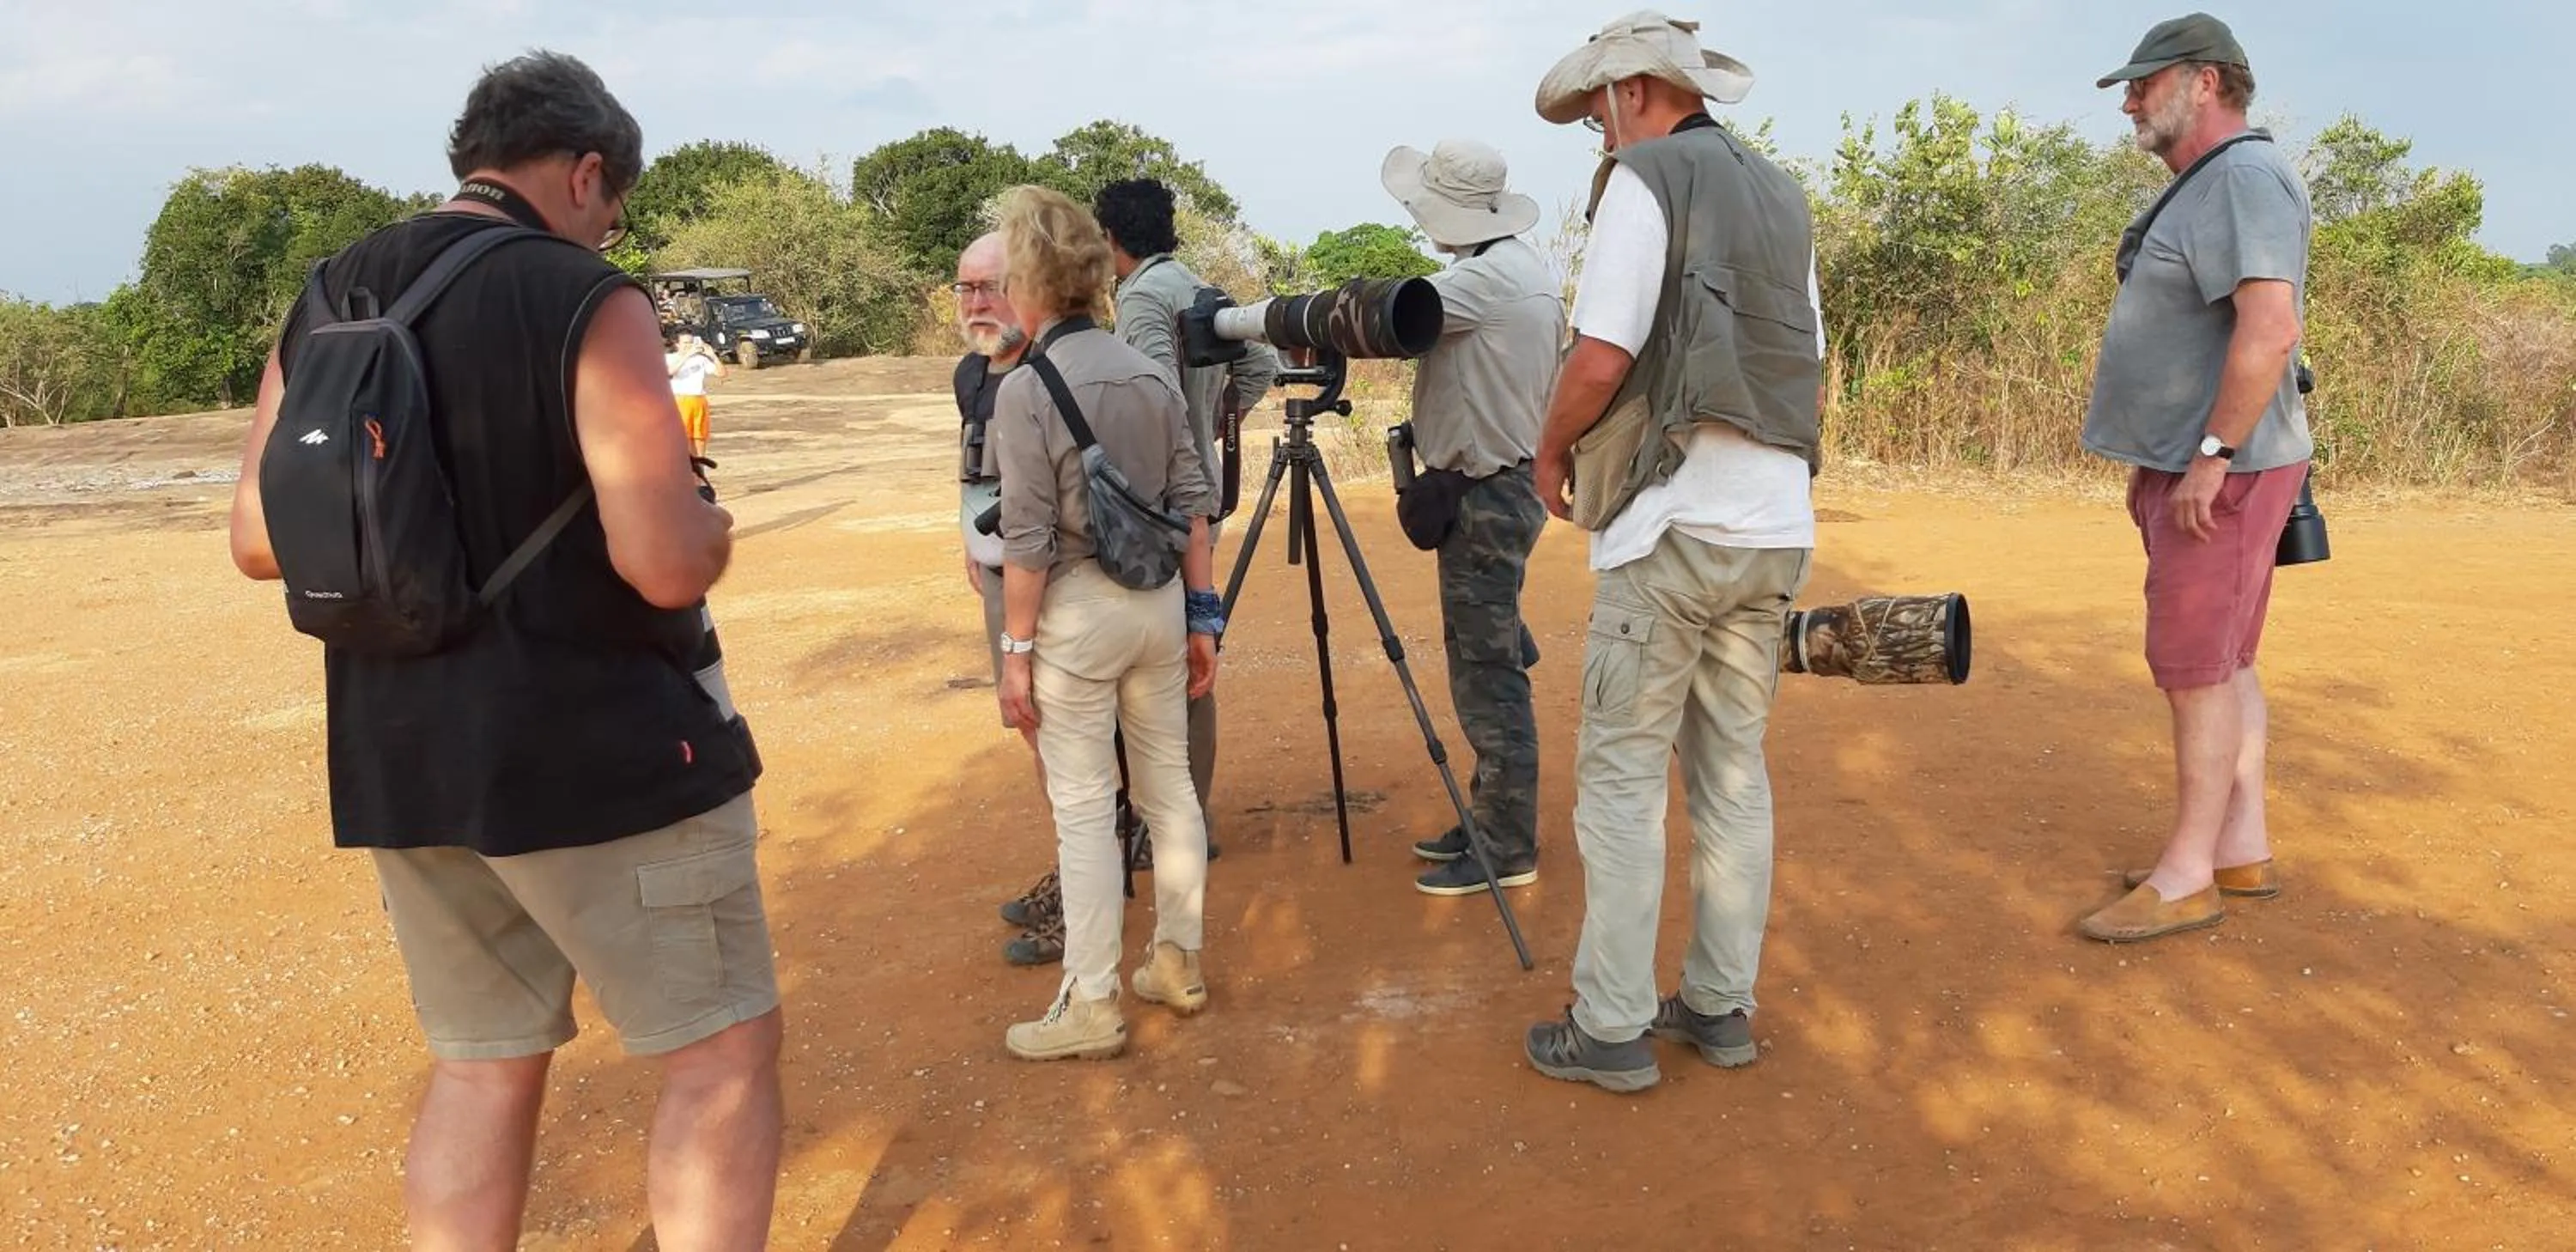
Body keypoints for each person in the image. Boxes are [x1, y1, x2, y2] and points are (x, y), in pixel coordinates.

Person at [224, 52, 781, 1246]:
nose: (609, 226)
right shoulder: (585, 294)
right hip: (599, 757)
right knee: (720, 1055)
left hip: (401, 752)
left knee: (481, 1066)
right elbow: (663, 562)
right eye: (613, 204)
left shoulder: (331, 290)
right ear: (587, 173)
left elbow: (257, 539)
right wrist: (710, 520)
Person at [1522, 11, 1828, 1093]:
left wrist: (1548, 449)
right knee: (1733, 776)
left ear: (1635, 92)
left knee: (1620, 779)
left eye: (1598, 113)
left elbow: (1603, 352)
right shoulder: (1781, 197)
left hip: (1670, 528)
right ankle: (1718, 1006)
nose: (1596, 136)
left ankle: (1607, 1026)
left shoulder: (1648, 183)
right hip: (1773, 527)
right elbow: (1807, 357)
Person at [2076, 13, 2312, 943]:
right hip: (2215, 467)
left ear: (2204, 82)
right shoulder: (2216, 181)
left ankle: (2185, 879)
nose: (2131, 99)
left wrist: (2210, 458)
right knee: (2227, 660)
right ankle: (2236, 849)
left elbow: (2270, 329)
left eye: (2144, 82)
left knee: (2194, 671)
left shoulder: (2244, 177)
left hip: (2220, 473)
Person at [986, 185, 1224, 1061]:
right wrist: (1205, 621)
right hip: (1160, 605)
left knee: (1086, 810)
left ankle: (1090, 1003)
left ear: (1029, 283)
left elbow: (1028, 540)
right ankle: (1177, 963)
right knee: (1170, 795)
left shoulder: (1025, 390)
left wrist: (1015, 653)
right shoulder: (1151, 372)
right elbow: (1194, 508)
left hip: (1078, 617)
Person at [1376, 138, 1565, 897]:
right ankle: (1492, 814)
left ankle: (1505, 844)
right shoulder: (1514, 273)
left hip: (1489, 491)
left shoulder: (1482, 284)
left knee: (1487, 676)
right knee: (1484, 654)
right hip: (1500, 486)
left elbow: (1382, 321)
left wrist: (1268, 324)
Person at [949, 230, 1073, 968]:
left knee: (1067, 734)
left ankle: (1087, 890)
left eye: (990, 286)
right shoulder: (973, 371)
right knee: (1039, 734)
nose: (976, 303)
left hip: (1055, 577)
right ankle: (1075, 874)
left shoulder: (1054, 370)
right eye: (965, 288)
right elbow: (966, 458)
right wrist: (966, 539)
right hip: (1001, 575)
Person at [667, 330, 724, 459]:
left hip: (699, 401)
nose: (689, 345)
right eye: (686, 343)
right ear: (677, 344)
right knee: (683, 440)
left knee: (700, 438)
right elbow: (670, 372)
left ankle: (700, 472)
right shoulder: (670, 358)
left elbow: (722, 374)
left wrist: (713, 355)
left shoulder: (701, 359)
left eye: (691, 343)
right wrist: (687, 355)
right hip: (680, 402)